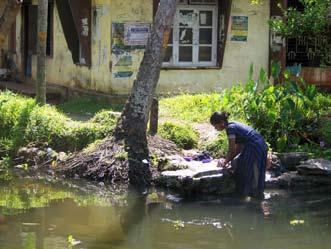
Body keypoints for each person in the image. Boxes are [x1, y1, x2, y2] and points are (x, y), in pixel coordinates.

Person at [210, 111, 268, 199]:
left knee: (251, 169)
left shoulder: (230, 128)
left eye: (215, 126)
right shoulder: (233, 125)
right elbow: (239, 148)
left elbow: (232, 150)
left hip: (254, 147)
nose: (215, 128)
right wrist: (229, 161)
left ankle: (255, 196)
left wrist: (225, 162)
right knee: (240, 163)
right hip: (259, 145)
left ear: (221, 123)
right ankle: (252, 194)